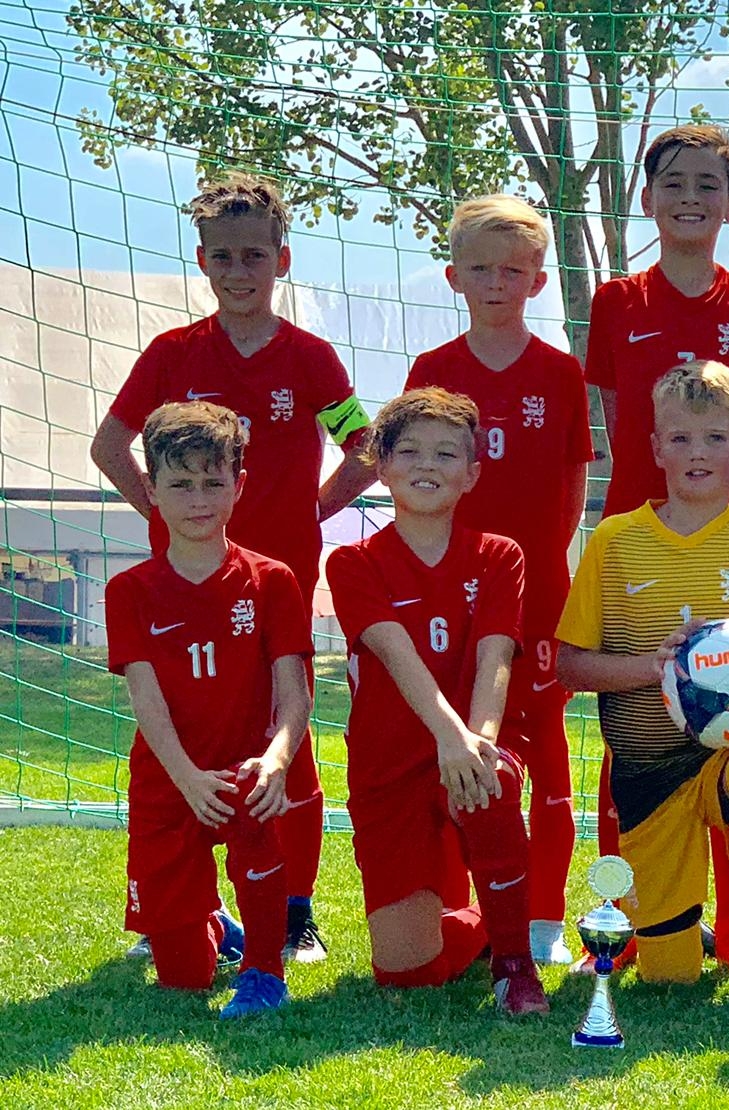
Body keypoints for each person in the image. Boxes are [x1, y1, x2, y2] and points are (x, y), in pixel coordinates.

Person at [92, 172, 375, 964]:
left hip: (276, 584)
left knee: (287, 734)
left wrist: (310, 512)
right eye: (223, 256)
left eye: (254, 255)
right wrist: (162, 512)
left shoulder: (312, 359)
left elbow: (366, 448)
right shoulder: (171, 354)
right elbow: (109, 446)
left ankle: (293, 912)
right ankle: (185, 908)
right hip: (183, 588)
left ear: (282, 260)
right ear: (202, 262)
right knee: (180, 734)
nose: (238, 270)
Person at [585, 123, 729, 969]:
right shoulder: (615, 302)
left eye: (708, 184)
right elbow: (614, 423)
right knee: (634, 736)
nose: (690, 197)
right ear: (647, 198)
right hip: (639, 543)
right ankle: (625, 923)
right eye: (674, 182)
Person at [555, 360, 729, 1019]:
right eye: (682, 438)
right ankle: (678, 929)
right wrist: (657, 669)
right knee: (670, 979)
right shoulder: (615, 541)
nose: (698, 453)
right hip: (649, 769)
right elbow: (571, 666)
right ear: (656, 447)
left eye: (716, 438)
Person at [404, 195, 592, 966]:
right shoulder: (432, 373)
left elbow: (573, 489)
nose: (495, 284)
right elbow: (414, 479)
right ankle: (460, 913)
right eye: (479, 269)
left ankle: (544, 919)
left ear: (538, 281)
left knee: (545, 756)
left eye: (512, 272)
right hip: (450, 597)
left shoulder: (561, 373)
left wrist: (543, 568)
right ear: (454, 276)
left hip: (538, 597)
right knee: (450, 748)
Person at [325, 388, 545, 1016]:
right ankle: (478, 924)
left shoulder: (499, 555)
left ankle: (514, 964)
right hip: (389, 766)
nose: (428, 464)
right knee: (409, 975)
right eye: (410, 451)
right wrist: (452, 736)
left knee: (494, 781)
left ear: (471, 473)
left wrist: (478, 743)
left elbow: (495, 659)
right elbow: (398, 659)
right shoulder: (352, 563)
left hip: (473, 744)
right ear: (382, 465)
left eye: (447, 453)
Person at [106, 401, 311, 1018]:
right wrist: (187, 778)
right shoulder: (129, 591)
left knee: (251, 788)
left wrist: (277, 760)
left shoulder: (272, 580)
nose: (198, 500)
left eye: (212, 482)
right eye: (181, 484)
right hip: (169, 780)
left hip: (244, 772)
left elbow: (295, 694)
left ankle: (265, 971)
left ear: (238, 485)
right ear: (151, 490)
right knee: (184, 978)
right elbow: (146, 700)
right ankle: (216, 927)